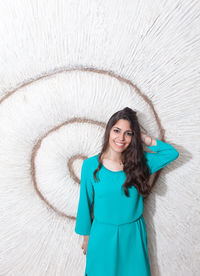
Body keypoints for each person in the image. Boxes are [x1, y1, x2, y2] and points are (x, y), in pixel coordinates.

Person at [74, 107, 179, 276]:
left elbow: (171, 153)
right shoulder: (90, 165)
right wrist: (86, 237)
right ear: (109, 131)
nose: (121, 138)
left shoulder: (140, 163)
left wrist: (144, 139)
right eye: (117, 130)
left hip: (133, 236)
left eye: (128, 133)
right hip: (101, 235)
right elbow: (84, 203)